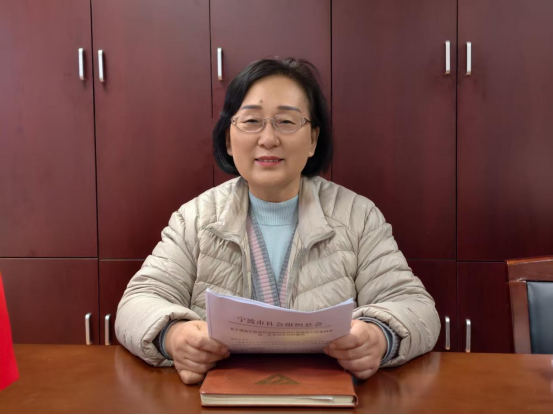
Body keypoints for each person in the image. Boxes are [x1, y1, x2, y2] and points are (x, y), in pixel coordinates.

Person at [116, 58, 440, 386]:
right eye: (252, 121)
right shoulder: (195, 218)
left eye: (286, 121)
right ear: (228, 139)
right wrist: (173, 336)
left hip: (327, 399)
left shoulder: (357, 216)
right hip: (219, 398)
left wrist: (380, 337)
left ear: (313, 139)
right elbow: (136, 304)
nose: (268, 139)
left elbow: (416, 307)